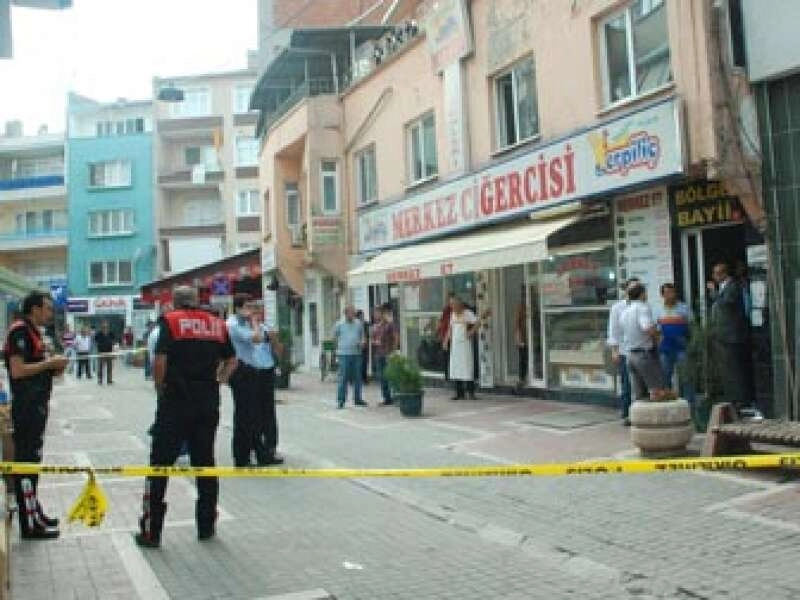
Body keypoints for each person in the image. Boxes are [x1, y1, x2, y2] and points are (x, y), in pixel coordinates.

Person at [135, 286, 237, 548]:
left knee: (160, 464)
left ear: (175, 303)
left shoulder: (170, 321)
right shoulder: (216, 323)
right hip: (207, 402)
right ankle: (206, 526)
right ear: (197, 301)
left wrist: (160, 388)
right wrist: (219, 380)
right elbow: (232, 360)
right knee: (205, 463)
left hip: (176, 402)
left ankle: (152, 530)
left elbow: (160, 359)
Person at [3, 291, 69, 539]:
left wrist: (54, 367)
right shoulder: (19, 331)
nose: (50, 313)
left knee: (32, 464)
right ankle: (29, 523)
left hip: (38, 405)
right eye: (48, 309)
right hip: (26, 408)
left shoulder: (35, 332)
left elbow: (38, 367)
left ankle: (34, 512)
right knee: (26, 464)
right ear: (35, 309)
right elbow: (18, 370)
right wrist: (49, 364)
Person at [226, 294, 284, 467]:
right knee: (244, 417)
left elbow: (272, 344)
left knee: (255, 416)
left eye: (253, 307)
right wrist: (255, 322)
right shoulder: (233, 325)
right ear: (238, 308)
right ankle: (242, 457)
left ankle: (261, 453)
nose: (252, 310)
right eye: (248, 307)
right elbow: (257, 338)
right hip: (240, 371)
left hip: (253, 371)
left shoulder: (246, 324)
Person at [708, 262, 752, 411]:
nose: (714, 277)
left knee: (735, 369)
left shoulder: (732, 286)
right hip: (723, 336)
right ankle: (733, 398)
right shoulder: (724, 287)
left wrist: (714, 292)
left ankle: (741, 400)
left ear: (723, 274)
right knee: (727, 370)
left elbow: (726, 303)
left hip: (732, 336)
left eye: (716, 274)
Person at [654, 283, 695, 415]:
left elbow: (692, 326)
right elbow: (655, 330)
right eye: (667, 293)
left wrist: (690, 343)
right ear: (662, 295)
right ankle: (668, 408)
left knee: (686, 378)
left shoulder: (684, 308)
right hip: (665, 349)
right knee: (666, 378)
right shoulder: (658, 310)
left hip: (681, 348)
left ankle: (689, 407)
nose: (671, 295)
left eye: (672, 292)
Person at [620, 283, 664, 402]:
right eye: (645, 292)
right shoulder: (642, 308)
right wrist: (659, 337)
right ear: (642, 294)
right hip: (644, 354)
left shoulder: (625, 311)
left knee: (639, 395)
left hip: (630, 355)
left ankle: (639, 414)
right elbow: (647, 327)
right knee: (655, 391)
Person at [607, 278, 639, 425]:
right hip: (625, 351)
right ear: (626, 290)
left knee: (640, 384)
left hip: (641, 351)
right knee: (627, 384)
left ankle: (639, 412)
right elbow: (613, 331)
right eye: (633, 288)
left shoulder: (643, 306)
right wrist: (615, 351)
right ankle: (626, 413)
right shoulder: (617, 308)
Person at [443, 296, 478, 400]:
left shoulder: (468, 313)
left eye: (454, 304)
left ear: (459, 304)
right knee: (456, 367)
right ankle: (459, 393)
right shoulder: (453, 314)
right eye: (451, 305)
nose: (452, 307)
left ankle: (470, 392)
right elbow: (450, 328)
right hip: (455, 345)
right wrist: (446, 340)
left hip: (465, 344)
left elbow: (477, 322)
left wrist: (471, 332)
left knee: (467, 366)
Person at [332, 306, 367, 408]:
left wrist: (362, 342)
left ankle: (358, 399)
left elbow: (362, 336)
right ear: (346, 313)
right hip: (344, 354)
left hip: (356, 353)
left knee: (358, 377)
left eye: (353, 313)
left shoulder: (358, 323)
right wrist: (336, 350)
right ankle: (341, 400)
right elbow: (334, 337)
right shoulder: (339, 324)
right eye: (351, 313)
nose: (352, 315)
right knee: (343, 377)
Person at [374, 303, 399, 406]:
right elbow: (375, 338)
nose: (375, 315)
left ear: (383, 313)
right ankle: (386, 398)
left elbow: (396, 337)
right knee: (382, 377)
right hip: (379, 353)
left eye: (377, 312)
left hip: (388, 353)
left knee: (391, 376)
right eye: (375, 313)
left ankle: (395, 397)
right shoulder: (377, 326)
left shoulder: (390, 324)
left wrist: (393, 351)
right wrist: (375, 341)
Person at [436, 292, 456, 379]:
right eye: (449, 301)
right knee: (446, 356)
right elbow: (441, 321)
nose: (450, 303)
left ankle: (453, 375)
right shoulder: (446, 310)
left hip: (453, 337)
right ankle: (447, 375)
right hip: (445, 336)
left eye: (452, 301)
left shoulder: (456, 311)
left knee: (452, 357)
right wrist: (438, 332)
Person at [513, 292, 528, 391]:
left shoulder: (534, 305)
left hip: (532, 338)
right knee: (523, 358)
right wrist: (518, 338)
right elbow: (516, 323)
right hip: (524, 337)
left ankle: (525, 377)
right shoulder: (521, 307)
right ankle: (522, 379)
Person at [95, 321, 115, 385]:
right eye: (103, 327)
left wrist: (114, 350)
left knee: (110, 367)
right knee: (100, 367)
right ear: (101, 327)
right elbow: (96, 342)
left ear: (108, 327)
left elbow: (113, 342)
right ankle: (100, 380)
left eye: (106, 326)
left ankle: (109, 379)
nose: (105, 328)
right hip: (101, 352)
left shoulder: (111, 333)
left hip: (109, 352)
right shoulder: (98, 334)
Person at [356, 309, 369, 384]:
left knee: (364, 363)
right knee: (358, 363)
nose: (362, 318)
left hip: (364, 346)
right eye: (360, 316)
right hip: (357, 347)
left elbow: (368, 333)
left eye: (362, 316)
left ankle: (364, 378)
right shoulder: (355, 325)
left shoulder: (366, 324)